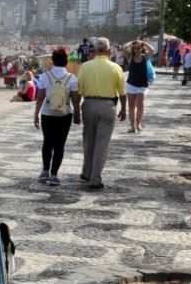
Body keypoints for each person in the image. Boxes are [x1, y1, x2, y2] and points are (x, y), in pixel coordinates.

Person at [76, 37, 127, 190]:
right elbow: (122, 92)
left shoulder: (85, 67)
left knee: (88, 140)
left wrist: (77, 110)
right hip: (108, 105)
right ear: (108, 50)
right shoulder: (115, 68)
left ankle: (86, 171)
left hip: (89, 104)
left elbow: (78, 90)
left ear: (95, 50)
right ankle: (95, 178)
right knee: (102, 144)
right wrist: (124, 108)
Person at [33, 47, 80, 185]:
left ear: (52, 61)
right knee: (60, 144)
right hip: (64, 114)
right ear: (66, 62)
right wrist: (77, 114)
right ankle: (54, 175)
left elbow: (40, 97)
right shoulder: (72, 78)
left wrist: (36, 115)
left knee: (47, 142)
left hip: (47, 113)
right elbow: (76, 99)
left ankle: (44, 171)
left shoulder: (44, 76)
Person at [124, 40, 156, 132]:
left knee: (140, 104)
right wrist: (132, 42)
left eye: (138, 48)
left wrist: (143, 42)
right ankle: (132, 126)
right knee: (131, 106)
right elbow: (124, 48)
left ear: (142, 48)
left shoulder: (145, 57)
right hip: (131, 84)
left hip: (142, 84)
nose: (136, 50)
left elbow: (152, 50)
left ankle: (138, 124)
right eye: (134, 48)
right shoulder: (130, 57)